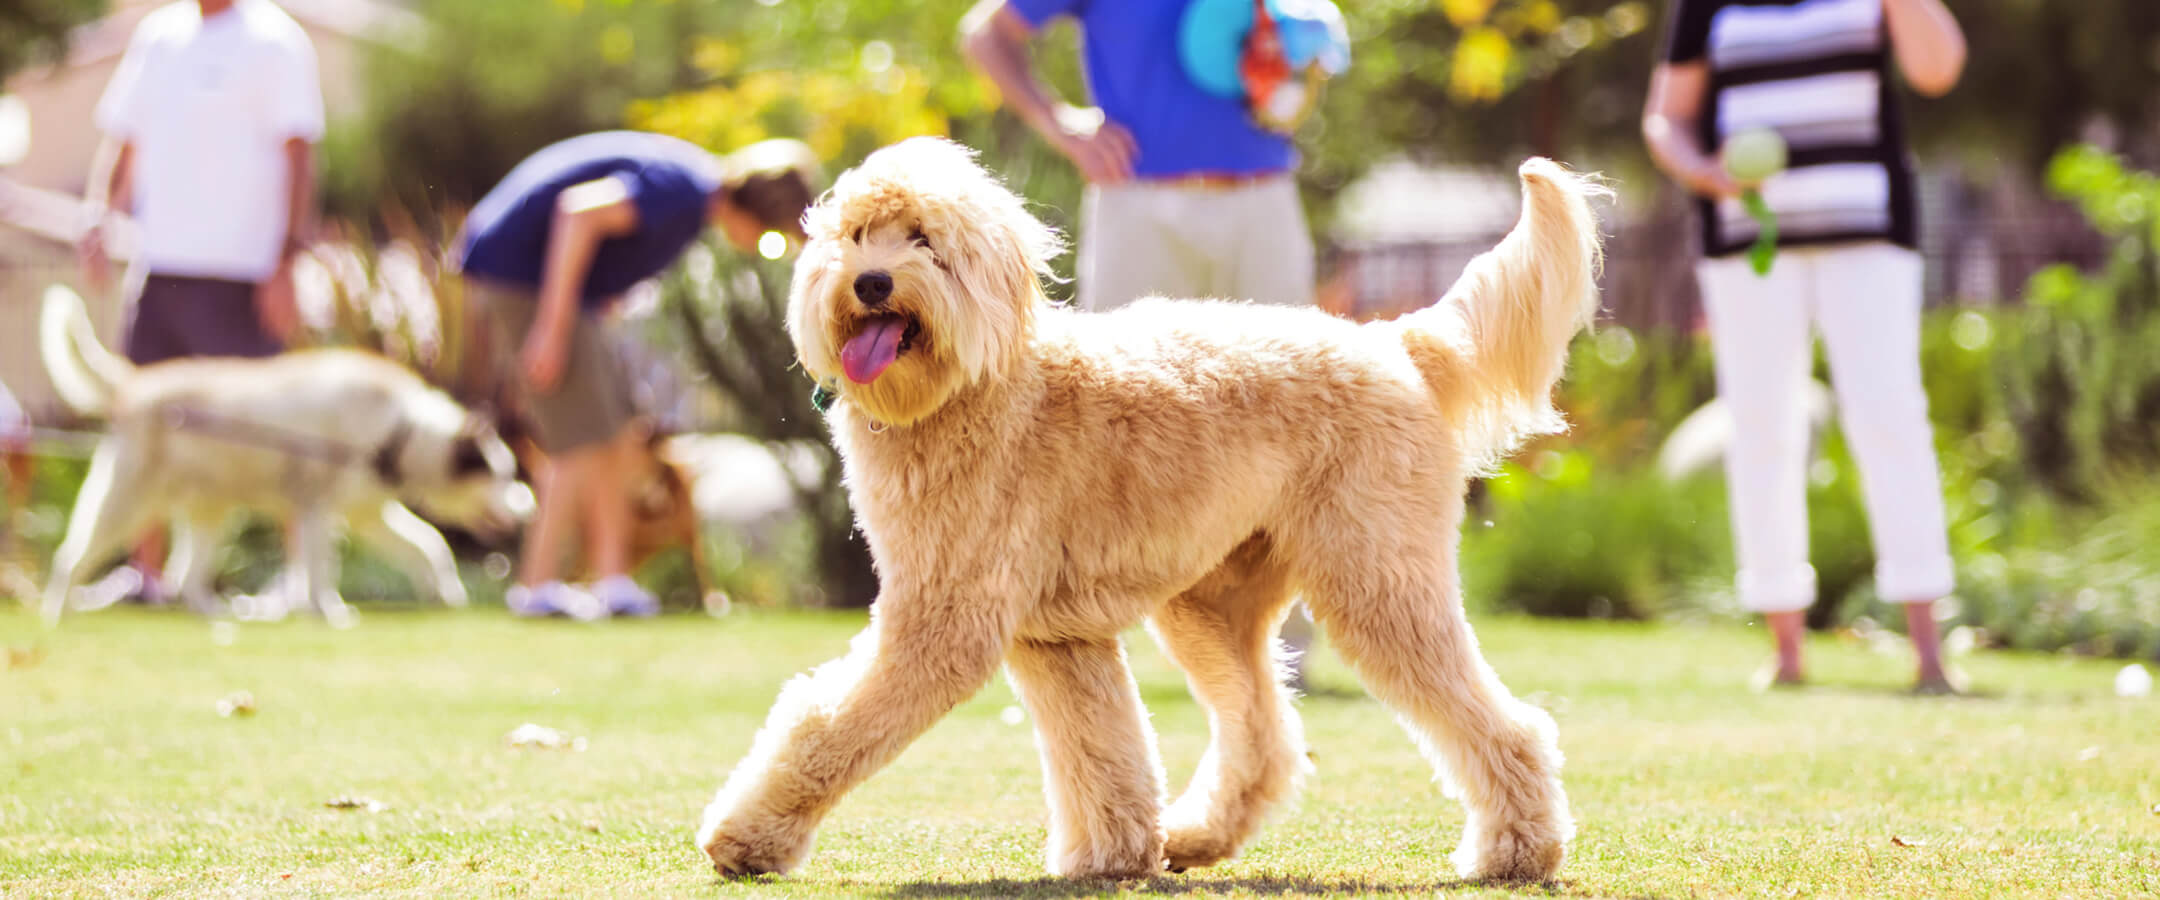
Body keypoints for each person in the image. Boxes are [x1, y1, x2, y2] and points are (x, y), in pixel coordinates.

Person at [1642, 0, 1967, 692]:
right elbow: (1666, 116)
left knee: (1889, 415)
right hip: (1748, 241)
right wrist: (1706, 171)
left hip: (1870, 230)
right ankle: (1786, 652)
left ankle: (1929, 652)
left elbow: (1937, 70)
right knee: (1760, 424)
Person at [458, 132, 818, 620]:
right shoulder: (683, 190)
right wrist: (553, 326)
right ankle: (536, 586)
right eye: (769, 235)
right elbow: (577, 212)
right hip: (520, 274)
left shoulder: (690, 201)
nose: (759, 247)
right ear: (756, 208)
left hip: (547, 286)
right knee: (579, 438)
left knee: (610, 433)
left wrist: (596, 301)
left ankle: (611, 581)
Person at [75, 0, 323, 607]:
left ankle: (300, 578)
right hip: (160, 269)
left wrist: (286, 263)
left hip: (244, 275)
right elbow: (124, 137)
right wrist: (98, 215)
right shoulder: (158, 35)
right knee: (143, 419)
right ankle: (147, 576)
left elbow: (300, 154)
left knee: (272, 431)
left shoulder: (276, 39)